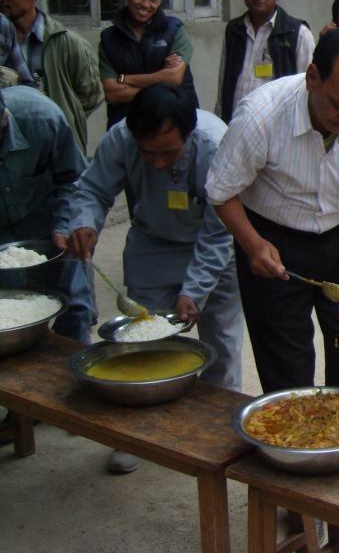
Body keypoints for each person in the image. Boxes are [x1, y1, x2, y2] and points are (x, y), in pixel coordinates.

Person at [206, 29, 339, 394]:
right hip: (273, 242)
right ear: (312, 78)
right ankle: (296, 448)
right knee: (286, 363)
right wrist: (252, 244)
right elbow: (221, 192)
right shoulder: (261, 117)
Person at [62, 84, 244, 474]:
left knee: (222, 345)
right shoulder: (120, 139)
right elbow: (92, 189)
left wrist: (194, 291)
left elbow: (220, 232)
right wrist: (83, 223)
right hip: (152, 243)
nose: (158, 164)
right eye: (148, 153)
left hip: (212, 244)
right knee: (144, 343)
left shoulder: (216, 146)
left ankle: (219, 434)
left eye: (169, 153)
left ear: (189, 134)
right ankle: (141, 434)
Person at [0, 86, 91, 343]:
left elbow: (75, 177)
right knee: (7, 305)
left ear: (5, 118)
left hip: (47, 210)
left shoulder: (43, 118)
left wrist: (64, 225)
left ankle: (75, 363)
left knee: (74, 300)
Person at [0, 0, 103, 154]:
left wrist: (60, 115)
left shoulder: (68, 43)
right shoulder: (3, 38)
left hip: (53, 149)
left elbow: (91, 95)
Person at [98, 0, 199, 131]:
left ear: (160, 0)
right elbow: (112, 93)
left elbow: (174, 77)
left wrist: (126, 79)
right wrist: (162, 82)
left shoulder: (174, 30)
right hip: (127, 127)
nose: (145, 4)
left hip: (173, 125)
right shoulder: (109, 38)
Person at [215, 0, 314, 123]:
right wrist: (220, 118)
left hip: (276, 128)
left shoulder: (297, 33)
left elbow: (307, 87)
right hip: (235, 124)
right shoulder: (234, 30)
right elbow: (223, 79)